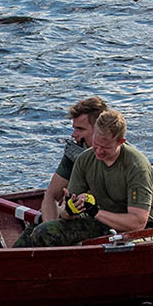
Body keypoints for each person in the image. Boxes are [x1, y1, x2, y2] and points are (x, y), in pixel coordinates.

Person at [16, 109, 153, 246]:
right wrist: (70, 210)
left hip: (144, 231)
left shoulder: (136, 166)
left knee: (121, 246)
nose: (98, 152)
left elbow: (137, 222)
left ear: (121, 142)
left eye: (106, 147)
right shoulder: (84, 159)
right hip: (102, 222)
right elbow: (64, 213)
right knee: (44, 231)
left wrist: (96, 212)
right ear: (94, 133)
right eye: (96, 144)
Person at [42, 95, 107, 224]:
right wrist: (49, 226)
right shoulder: (75, 153)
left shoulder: (117, 155)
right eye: (74, 128)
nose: (73, 135)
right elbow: (51, 196)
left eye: (80, 129)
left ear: (99, 130)